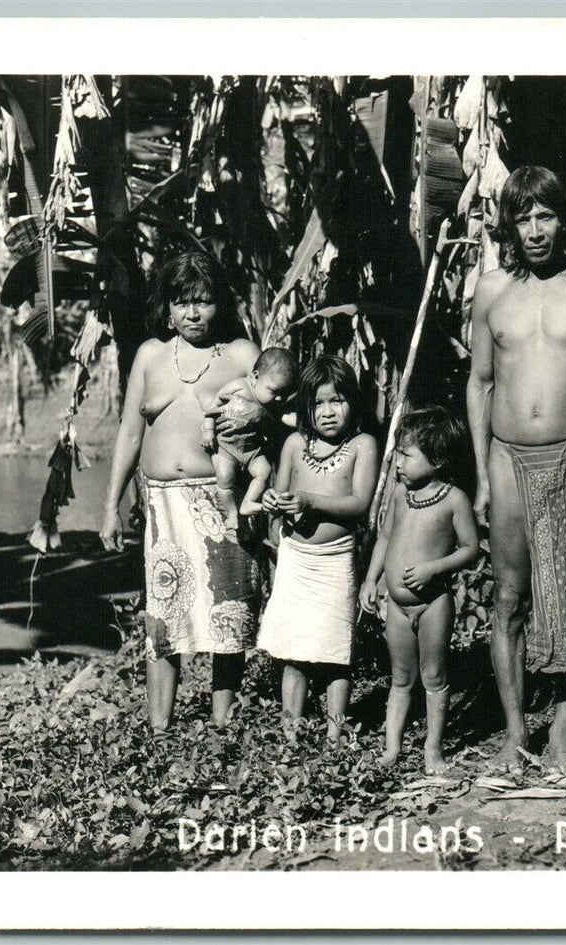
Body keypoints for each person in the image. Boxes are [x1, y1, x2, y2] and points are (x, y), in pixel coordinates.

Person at [466, 165, 566, 775]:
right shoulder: (492, 291)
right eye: (524, 217)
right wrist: (483, 473)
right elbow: (480, 382)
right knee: (509, 597)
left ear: (564, 220)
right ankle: (516, 732)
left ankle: (562, 728)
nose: (536, 230)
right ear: (508, 224)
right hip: (509, 457)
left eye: (546, 216)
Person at [99, 250, 262, 730]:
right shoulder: (150, 355)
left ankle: (222, 726)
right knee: (163, 618)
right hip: (163, 505)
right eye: (182, 302)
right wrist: (111, 506)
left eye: (204, 301)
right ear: (166, 306)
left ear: (220, 304)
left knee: (227, 615)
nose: (193, 314)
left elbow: (276, 418)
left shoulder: (241, 355)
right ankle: (160, 729)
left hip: (223, 499)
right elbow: (130, 431)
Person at [256, 355, 377, 745]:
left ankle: (335, 734)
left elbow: (359, 504)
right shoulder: (293, 444)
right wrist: (276, 505)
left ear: (352, 403)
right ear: (305, 406)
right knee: (294, 650)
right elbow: (280, 489)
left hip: (336, 559)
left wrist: (310, 501)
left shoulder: (363, 445)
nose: (328, 412)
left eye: (337, 401)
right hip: (296, 559)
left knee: (336, 650)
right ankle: (291, 733)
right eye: (319, 403)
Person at [360, 407, 479, 774]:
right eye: (397, 452)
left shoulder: (453, 499)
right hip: (396, 606)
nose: (397, 461)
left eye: (407, 454)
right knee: (401, 678)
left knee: (434, 676)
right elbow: (384, 538)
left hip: (433, 605)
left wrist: (432, 569)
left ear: (438, 459)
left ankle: (433, 750)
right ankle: (391, 748)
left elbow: (470, 549)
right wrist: (371, 579)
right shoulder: (399, 493)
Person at [202, 346, 299, 530]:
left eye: (284, 395)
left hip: (251, 450)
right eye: (274, 391)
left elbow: (285, 418)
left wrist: (302, 422)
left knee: (264, 471)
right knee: (225, 478)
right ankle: (231, 512)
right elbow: (212, 408)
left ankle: (248, 502)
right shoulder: (239, 387)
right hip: (227, 446)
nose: (279, 399)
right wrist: (208, 431)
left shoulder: (271, 403)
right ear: (255, 377)